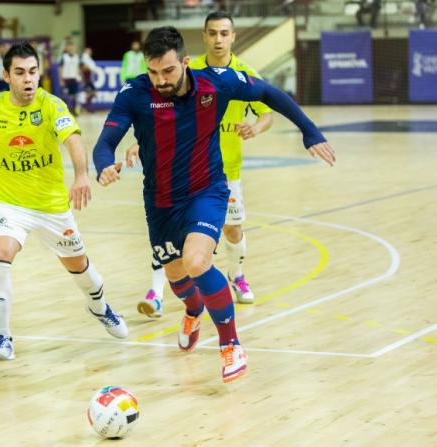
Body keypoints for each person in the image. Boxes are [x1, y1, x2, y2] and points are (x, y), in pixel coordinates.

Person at [92, 27, 335, 382]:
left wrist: (309, 131)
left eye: (169, 71)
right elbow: (105, 143)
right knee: (176, 276)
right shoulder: (134, 93)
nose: (160, 80)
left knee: (196, 261)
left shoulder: (216, 83)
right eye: (153, 72)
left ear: (185, 63)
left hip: (207, 190)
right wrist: (103, 166)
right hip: (159, 201)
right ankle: (192, 311)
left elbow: (270, 93)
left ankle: (231, 344)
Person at [0, 41, 128, 362]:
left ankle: (100, 307)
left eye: (33, 72)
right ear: (6, 76)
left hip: (51, 207)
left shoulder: (52, 106)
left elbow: (73, 140)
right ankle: (1, 338)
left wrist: (80, 175)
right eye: (20, 73)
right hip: (9, 203)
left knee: (80, 267)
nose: (28, 79)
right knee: (0, 253)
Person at [130, 11, 273, 316]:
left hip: (223, 172)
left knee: (233, 231)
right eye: (213, 33)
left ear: (233, 36)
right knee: (169, 237)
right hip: (180, 170)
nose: (218, 39)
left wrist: (255, 128)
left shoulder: (244, 73)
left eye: (224, 33)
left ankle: (237, 277)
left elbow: (267, 112)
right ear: (205, 36)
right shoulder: (185, 70)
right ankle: (156, 291)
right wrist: (140, 141)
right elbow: (156, 112)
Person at [58, 41, 81, 115]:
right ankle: (65, 112)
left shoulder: (77, 57)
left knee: (75, 96)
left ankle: (75, 111)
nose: (71, 48)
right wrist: (61, 80)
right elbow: (60, 68)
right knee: (66, 96)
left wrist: (79, 76)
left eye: (72, 47)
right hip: (66, 79)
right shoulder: (63, 57)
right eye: (69, 47)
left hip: (74, 79)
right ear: (67, 48)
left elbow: (78, 67)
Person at [80, 47, 99, 113]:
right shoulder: (84, 57)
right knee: (88, 93)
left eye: (90, 51)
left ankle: (86, 105)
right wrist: (89, 68)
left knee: (93, 93)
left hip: (90, 79)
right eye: (88, 51)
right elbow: (84, 68)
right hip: (86, 78)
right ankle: (85, 106)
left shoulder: (89, 59)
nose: (89, 52)